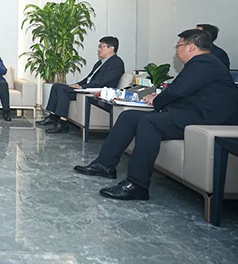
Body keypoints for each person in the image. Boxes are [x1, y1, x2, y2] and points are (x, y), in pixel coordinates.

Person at [74, 29, 238, 201]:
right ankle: (104, 165)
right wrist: (158, 98)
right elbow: (181, 90)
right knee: (128, 117)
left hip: (205, 119)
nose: (176, 50)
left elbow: (177, 90)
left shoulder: (204, 63)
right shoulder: (201, 63)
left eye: (178, 45)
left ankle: (137, 185)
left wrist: (157, 100)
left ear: (191, 46)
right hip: (190, 114)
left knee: (149, 122)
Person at [38, 36, 125, 133]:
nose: (99, 49)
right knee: (56, 86)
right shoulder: (100, 63)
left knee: (63, 90)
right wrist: (76, 84)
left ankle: (63, 123)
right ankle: (53, 117)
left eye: (102, 46)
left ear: (111, 48)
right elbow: (88, 79)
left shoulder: (116, 63)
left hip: (97, 91)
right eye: (99, 46)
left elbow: (103, 82)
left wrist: (82, 87)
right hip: (88, 88)